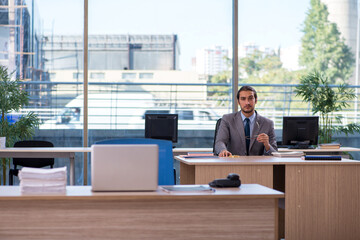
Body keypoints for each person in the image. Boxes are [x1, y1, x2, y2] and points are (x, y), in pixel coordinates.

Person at [214, 86, 277, 157]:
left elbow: (275, 154)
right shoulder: (227, 119)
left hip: (257, 166)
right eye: (243, 99)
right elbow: (220, 142)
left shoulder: (268, 123)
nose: (247, 102)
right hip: (234, 164)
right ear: (238, 102)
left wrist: (267, 145)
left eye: (250, 98)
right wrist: (223, 150)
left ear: (255, 100)